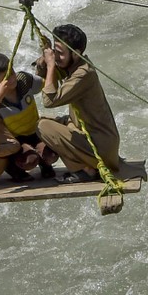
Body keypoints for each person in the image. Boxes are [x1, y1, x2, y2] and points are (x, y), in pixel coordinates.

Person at [35, 24, 122, 184]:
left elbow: (49, 100)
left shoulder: (83, 74)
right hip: (95, 137)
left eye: (60, 53)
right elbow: (51, 77)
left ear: (76, 54)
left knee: (43, 127)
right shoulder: (76, 65)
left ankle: (84, 170)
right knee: (48, 120)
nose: (56, 56)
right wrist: (45, 62)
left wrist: (51, 65)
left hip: (100, 148)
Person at [0, 53, 59, 181]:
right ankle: (12, 168)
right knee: (30, 160)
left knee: (52, 155)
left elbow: (46, 84)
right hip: (16, 141)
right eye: (6, 78)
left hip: (35, 131)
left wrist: (48, 66)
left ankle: (45, 164)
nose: (12, 79)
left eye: (12, 73)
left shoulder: (24, 80)